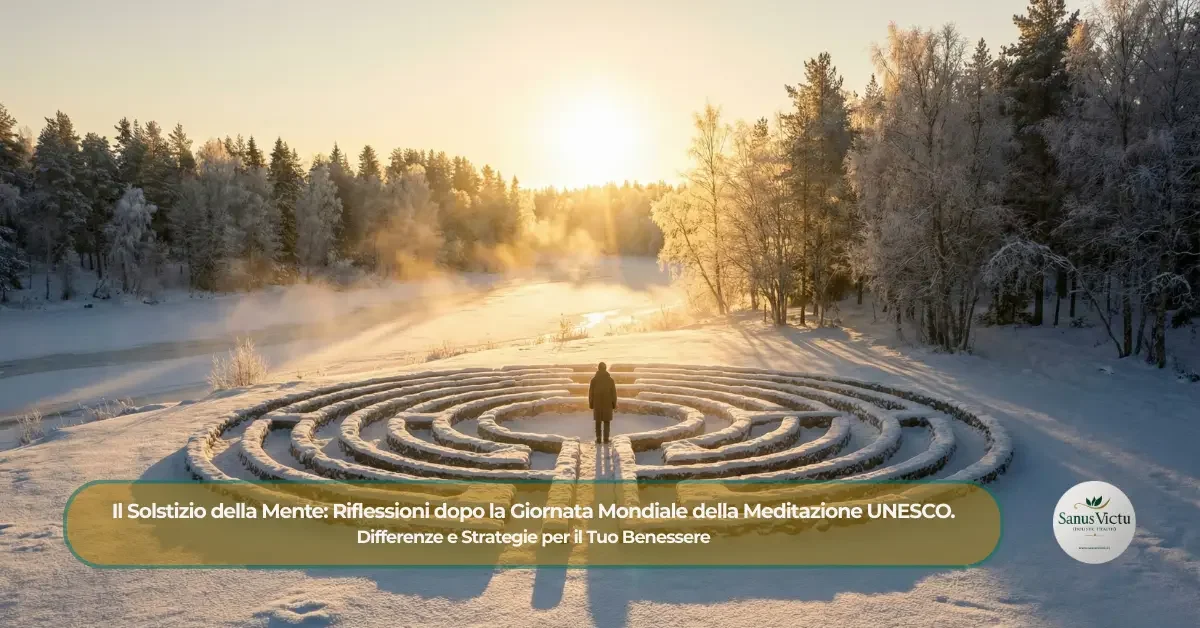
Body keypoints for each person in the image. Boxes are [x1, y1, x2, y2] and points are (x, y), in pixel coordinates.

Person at [588, 361, 617, 444]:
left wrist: (591, 403)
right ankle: (606, 439)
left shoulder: (594, 380)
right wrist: (614, 404)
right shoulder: (610, 380)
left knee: (598, 422)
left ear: (598, 368)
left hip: (597, 404)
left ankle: (598, 439)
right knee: (606, 422)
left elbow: (591, 393)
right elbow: (613, 393)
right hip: (607, 404)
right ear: (605, 368)